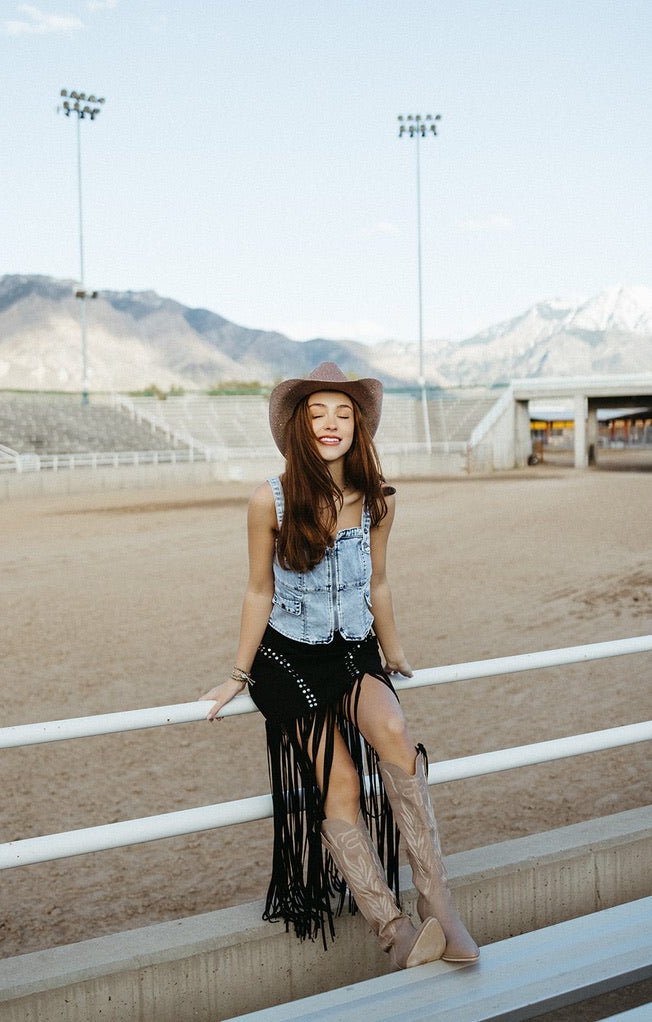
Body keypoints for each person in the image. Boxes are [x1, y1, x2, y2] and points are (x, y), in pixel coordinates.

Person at [200, 362, 479, 969]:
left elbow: (378, 583)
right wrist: (239, 674)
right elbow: (256, 592)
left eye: (343, 413)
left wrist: (395, 650)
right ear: (301, 427)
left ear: (359, 427)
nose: (332, 424)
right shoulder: (268, 500)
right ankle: (394, 930)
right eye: (318, 413)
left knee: (398, 739)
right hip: (288, 660)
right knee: (343, 783)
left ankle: (441, 909)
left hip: (354, 653)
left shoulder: (378, 502)